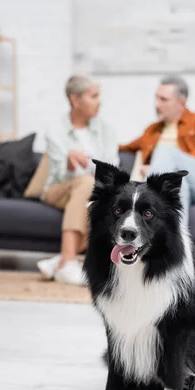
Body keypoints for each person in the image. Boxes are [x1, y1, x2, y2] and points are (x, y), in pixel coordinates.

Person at [37, 74, 118, 285]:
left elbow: (112, 170)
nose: (99, 101)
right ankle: (70, 260)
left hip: (91, 192)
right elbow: (57, 174)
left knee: (91, 192)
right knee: (85, 182)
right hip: (58, 189)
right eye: (93, 96)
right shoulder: (56, 130)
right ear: (75, 100)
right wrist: (69, 164)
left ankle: (61, 261)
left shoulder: (106, 129)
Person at [119, 75, 195, 224]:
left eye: (163, 99)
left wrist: (157, 167)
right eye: (157, 98)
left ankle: (148, 196)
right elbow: (124, 147)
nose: (157, 104)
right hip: (177, 182)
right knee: (178, 185)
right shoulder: (152, 131)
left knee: (165, 151)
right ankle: (176, 244)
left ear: (181, 102)